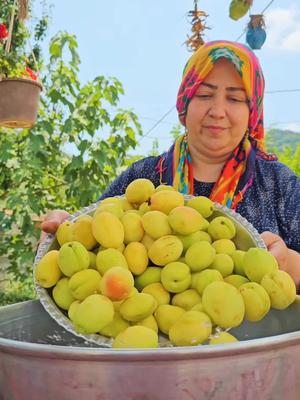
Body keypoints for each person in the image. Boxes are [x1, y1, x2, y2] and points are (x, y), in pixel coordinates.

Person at [42, 40, 300, 287]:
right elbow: (92, 248)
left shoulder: (278, 184)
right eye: (204, 94)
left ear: (252, 111)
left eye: (234, 99)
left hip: (265, 334)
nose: (218, 111)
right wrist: (62, 239)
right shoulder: (141, 179)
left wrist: (290, 264)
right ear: (184, 103)